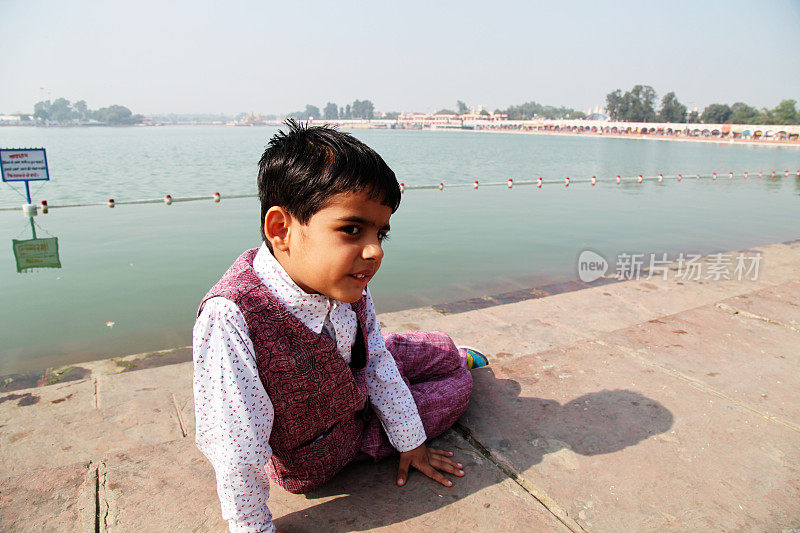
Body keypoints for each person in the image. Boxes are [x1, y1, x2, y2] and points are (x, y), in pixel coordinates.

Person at [193, 120, 488, 532]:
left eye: (380, 233)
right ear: (281, 230)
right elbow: (235, 443)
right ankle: (456, 366)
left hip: (353, 374)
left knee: (434, 346)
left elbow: (378, 361)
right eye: (352, 230)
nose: (374, 251)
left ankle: (451, 355)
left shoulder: (342, 280)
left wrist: (411, 439)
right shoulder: (234, 315)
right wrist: (252, 527)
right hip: (325, 443)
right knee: (457, 386)